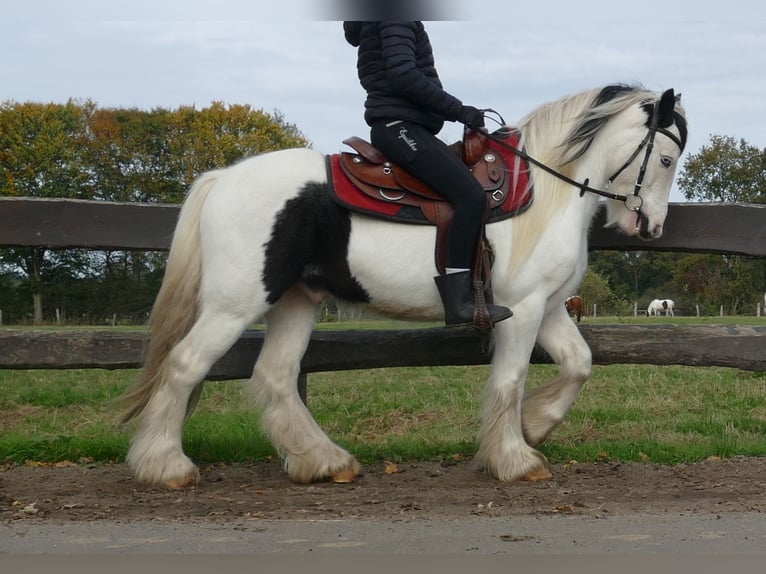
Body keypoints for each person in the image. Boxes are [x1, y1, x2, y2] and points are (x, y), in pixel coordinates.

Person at [343, 21, 512, 327]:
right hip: (400, 127)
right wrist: (460, 111)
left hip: (404, 126)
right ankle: (459, 303)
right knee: (470, 196)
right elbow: (404, 76)